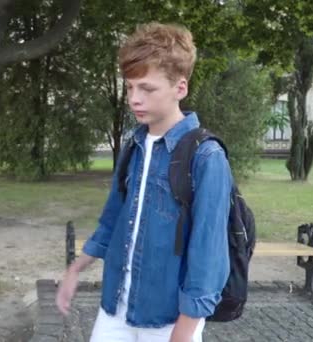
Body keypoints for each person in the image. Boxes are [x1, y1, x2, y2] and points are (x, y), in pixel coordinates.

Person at [55, 22, 232, 342]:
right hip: (116, 310)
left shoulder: (206, 157)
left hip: (168, 319)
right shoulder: (134, 146)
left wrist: (184, 332)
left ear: (180, 88)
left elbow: (209, 257)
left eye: (147, 89)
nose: (134, 99)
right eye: (130, 88)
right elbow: (112, 219)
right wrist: (75, 269)